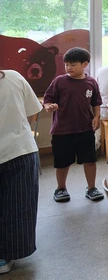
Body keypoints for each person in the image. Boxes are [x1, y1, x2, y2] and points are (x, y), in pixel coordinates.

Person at [42, 47, 103, 203]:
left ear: (85, 64)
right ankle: (60, 188)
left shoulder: (91, 82)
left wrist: (97, 116)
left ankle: (91, 188)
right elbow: (47, 99)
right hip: (62, 130)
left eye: (73, 64)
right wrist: (49, 106)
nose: (69, 68)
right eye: (67, 64)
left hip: (85, 129)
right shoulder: (59, 81)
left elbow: (96, 102)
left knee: (90, 160)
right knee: (62, 162)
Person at [0, 70, 43, 274]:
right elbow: (33, 111)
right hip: (20, 149)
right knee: (18, 205)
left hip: (18, 149)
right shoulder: (12, 77)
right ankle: (6, 255)